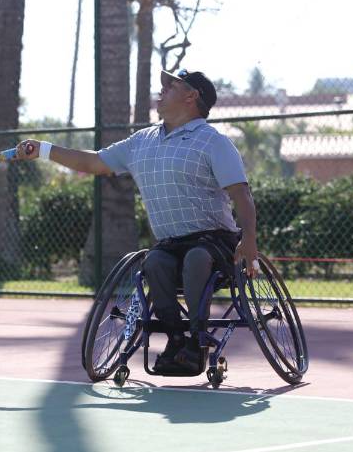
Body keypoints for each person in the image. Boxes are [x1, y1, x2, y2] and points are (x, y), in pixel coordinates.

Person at [15, 68, 258, 374]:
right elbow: (94, 162)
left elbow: (242, 196)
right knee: (155, 263)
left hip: (216, 241)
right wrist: (43, 150)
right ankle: (175, 341)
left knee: (197, 258)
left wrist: (249, 239)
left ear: (191, 96)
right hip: (170, 244)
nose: (163, 88)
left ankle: (197, 344)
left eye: (171, 85)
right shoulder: (142, 141)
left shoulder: (214, 142)